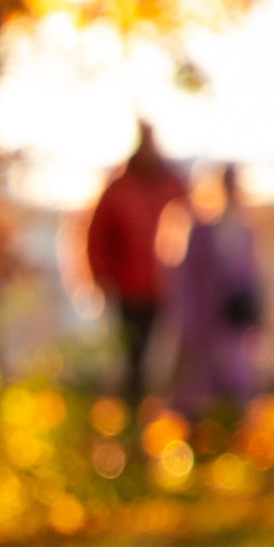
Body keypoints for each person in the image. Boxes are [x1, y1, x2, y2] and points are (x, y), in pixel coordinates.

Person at [85, 124, 190, 412]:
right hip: (127, 290)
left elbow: (194, 234)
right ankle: (131, 414)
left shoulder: (173, 186)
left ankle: (159, 415)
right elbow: (97, 238)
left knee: (166, 360)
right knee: (132, 359)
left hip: (167, 290)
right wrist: (101, 278)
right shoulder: (118, 191)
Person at [169, 165, 265, 417]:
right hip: (204, 322)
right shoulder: (201, 232)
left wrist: (254, 317)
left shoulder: (244, 231)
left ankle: (233, 430)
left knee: (235, 378)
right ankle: (196, 431)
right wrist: (187, 322)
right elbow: (188, 282)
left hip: (233, 322)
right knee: (199, 381)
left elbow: (251, 279)